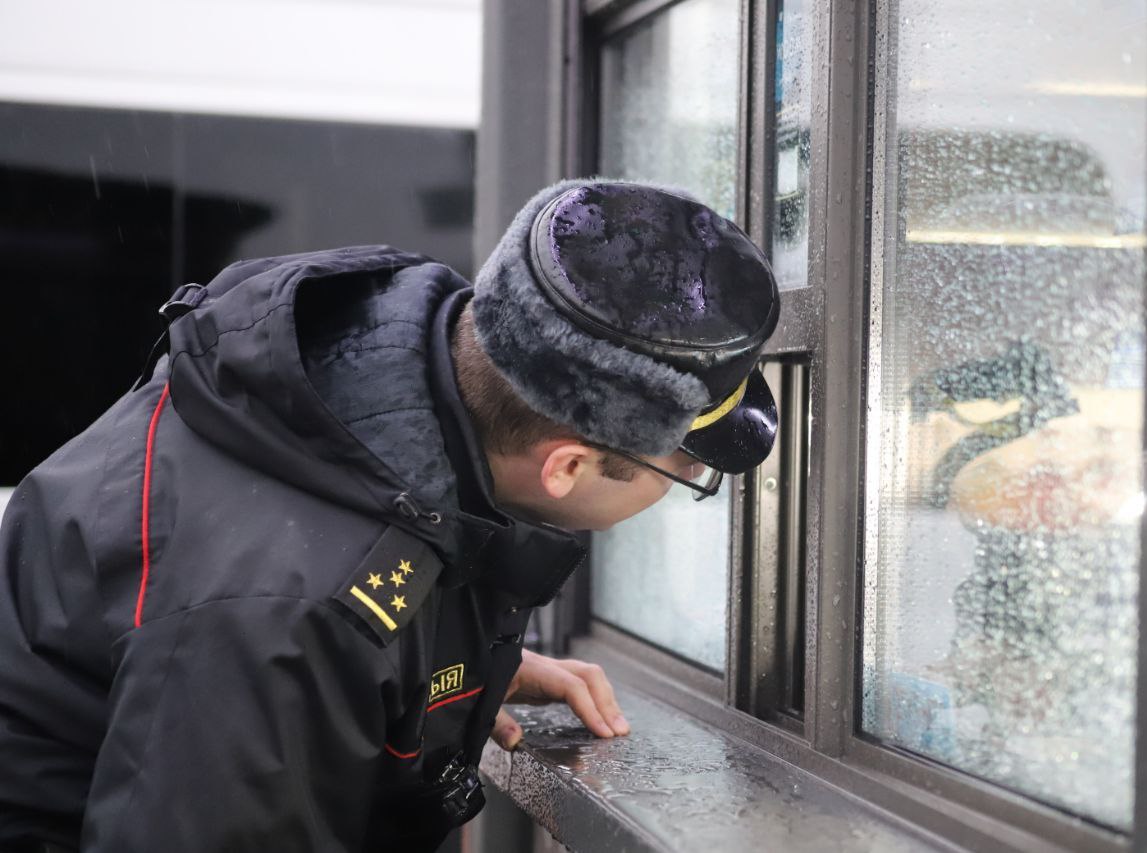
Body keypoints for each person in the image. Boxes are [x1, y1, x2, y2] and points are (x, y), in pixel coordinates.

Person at [0, 179, 780, 851]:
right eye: (685, 469)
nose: (686, 480)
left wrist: (442, 670)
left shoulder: (366, 388)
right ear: (567, 466)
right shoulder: (285, 618)